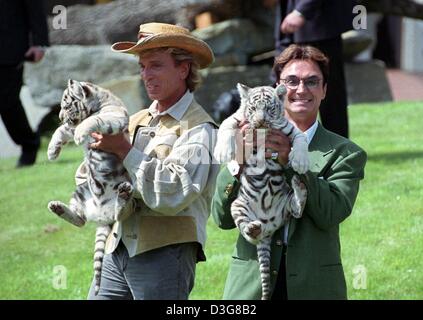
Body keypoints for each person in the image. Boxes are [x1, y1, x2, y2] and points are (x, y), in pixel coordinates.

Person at [211, 44, 367, 300]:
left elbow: (330, 213)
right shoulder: (247, 136)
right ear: (278, 90)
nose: (301, 90)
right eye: (291, 81)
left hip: (313, 288)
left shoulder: (346, 153)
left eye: (312, 82)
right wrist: (238, 159)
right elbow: (221, 218)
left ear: (324, 90)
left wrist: (289, 161)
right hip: (251, 288)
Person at [84, 22, 219, 300]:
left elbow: (173, 194)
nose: (146, 75)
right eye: (142, 67)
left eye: (156, 65)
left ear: (183, 69)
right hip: (116, 247)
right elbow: (87, 178)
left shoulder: (199, 129)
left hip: (166, 252)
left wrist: (124, 151)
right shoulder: (132, 121)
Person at [263, 0, 355, 139]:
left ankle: (339, 154)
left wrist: (302, 10)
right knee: (276, 92)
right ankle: (268, 149)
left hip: (316, 26)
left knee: (329, 99)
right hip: (291, 25)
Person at [0, 0, 49, 167]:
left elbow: (35, 6)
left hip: (9, 47)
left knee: (7, 101)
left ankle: (29, 144)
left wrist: (39, 42)